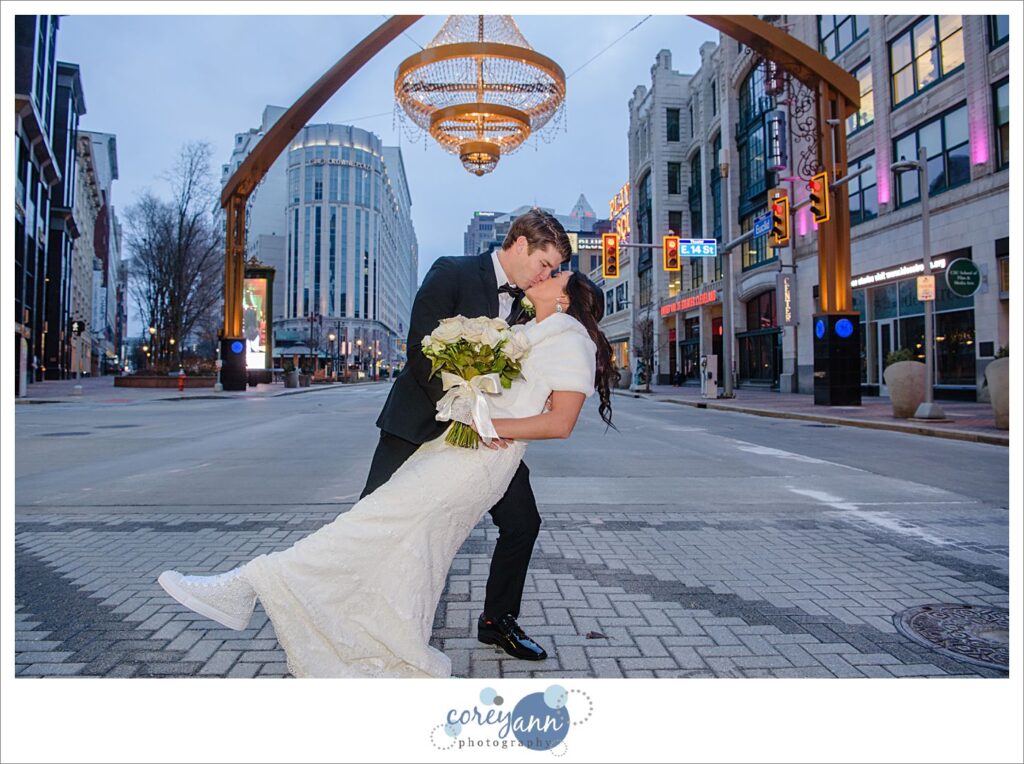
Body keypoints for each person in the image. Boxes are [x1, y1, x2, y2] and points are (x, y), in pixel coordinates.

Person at [157, 250, 618, 679]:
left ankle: (245, 585)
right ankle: (393, 642)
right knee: (415, 549)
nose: (547, 274)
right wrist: (471, 402)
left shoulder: (570, 341)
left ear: (565, 299)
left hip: (481, 458)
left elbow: (560, 423)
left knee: (373, 524)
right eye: (548, 264)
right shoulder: (531, 331)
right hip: (458, 448)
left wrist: (489, 424)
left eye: (557, 273)